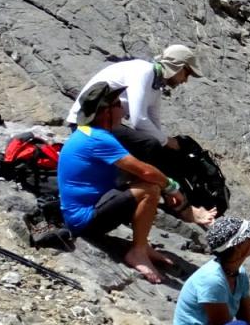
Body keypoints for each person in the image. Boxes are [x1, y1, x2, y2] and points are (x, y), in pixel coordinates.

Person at [58, 81, 191, 284]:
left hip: (85, 208)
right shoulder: (99, 139)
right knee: (150, 189)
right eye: (119, 105)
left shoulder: (88, 133)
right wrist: (173, 188)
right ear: (106, 112)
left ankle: (142, 244)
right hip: (84, 221)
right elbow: (146, 170)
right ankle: (137, 251)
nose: (123, 109)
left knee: (145, 182)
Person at [66, 44, 200, 173]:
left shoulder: (156, 85)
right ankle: (144, 186)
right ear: (177, 67)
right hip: (87, 122)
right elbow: (139, 120)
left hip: (105, 123)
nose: (185, 80)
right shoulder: (144, 71)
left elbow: (154, 119)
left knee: (155, 144)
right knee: (150, 144)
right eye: (186, 73)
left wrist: (165, 142)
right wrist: (166, 141)